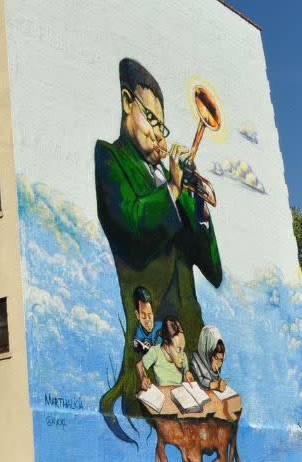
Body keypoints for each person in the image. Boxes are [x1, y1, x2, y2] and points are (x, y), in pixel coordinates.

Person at [95, 59, 221, 440]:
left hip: (188, 338)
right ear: (125, 101)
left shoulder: (171, 181)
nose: (156, 133)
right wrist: (171, 188)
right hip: (150, 339)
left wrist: (195, 202)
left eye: (160, 125)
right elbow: (130, 224)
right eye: (150, 118)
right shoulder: (110, 158)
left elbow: (211, 267)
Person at [138, 316, 195, 389]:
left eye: (183, 349)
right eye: (178, 350)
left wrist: (187, 373)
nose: (182, 356)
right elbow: (140, 365)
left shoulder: (183, 357)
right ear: (166, 347)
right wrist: (143, 378)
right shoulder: (155, 352)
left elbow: (186, 373)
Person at [189, 325, 229, 392]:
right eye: (216, 358)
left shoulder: (216, 364)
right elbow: (200, 382)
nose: (218, 363)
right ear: (208, 352)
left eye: (221, 360)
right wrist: (216, 385)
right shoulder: (195, 361)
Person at [131, 285, 162, 354]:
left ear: (153, 313)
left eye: (150, 315)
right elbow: (136, 348)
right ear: (137, 315)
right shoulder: (138, 331)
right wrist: (136, 345)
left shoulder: (161, 326)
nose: (148, 321)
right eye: (143, 316)